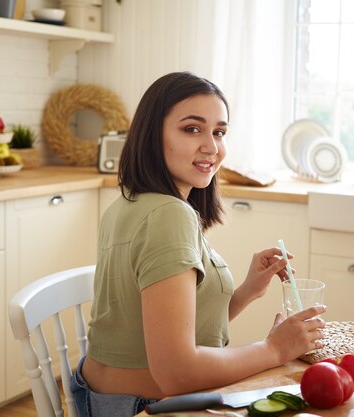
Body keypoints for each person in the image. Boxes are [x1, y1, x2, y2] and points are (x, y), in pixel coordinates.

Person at [71, 71, 326, 417]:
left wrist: (247, 292)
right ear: (151, 135)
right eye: (192, 129)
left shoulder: (130, 202)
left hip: (104, 400)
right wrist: (273, 349)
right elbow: (177, 373)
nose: (212, 146)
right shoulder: (168, 215)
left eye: (219, 132)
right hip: (141, 409)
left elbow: (172, 331)